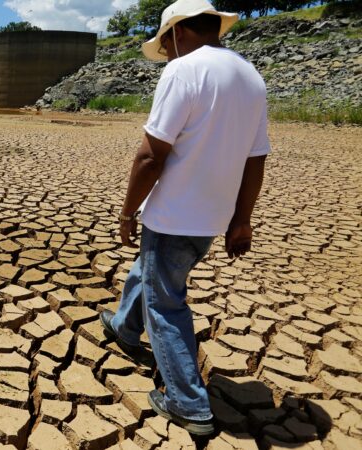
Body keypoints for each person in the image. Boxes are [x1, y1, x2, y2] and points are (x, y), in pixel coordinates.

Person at [99, 0, 270, 436]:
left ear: (177, 32)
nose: (167, 54)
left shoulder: (184, 70)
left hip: (173, 217)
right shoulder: (249, 76)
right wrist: (241, 220)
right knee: (152, 271)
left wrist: (127, 211)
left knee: (166, 303)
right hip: (211, 220)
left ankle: (187, 402)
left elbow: (150, 157)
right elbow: (256, 160)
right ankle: (123, 326)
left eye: (166, 44)